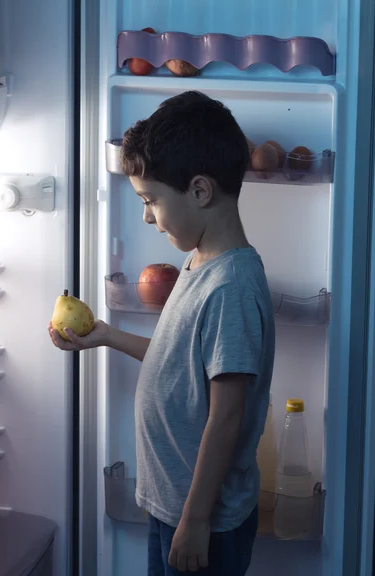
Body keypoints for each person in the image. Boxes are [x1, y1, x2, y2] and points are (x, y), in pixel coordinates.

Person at [48, 91, 275, 575]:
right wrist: (105, 335)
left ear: (199, 191)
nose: (148, 217)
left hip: (204, 520)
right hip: (176, 504)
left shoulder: (231, 287)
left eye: (151, 200)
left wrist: (194, 519)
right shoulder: (200, 263)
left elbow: (226, 417)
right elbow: (180, 363)